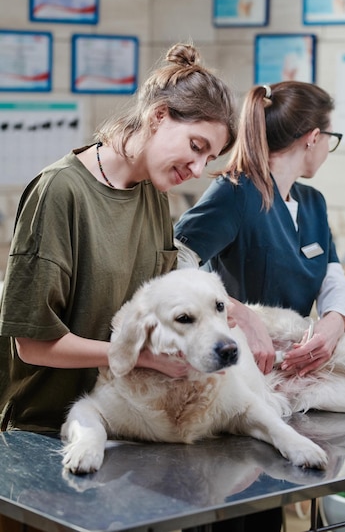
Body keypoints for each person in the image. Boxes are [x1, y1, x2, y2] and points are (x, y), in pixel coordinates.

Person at [0, 42, 237, 435]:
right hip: (42, 429)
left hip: (124, 418)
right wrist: (143, 358)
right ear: (159, 116)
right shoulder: (61, 192)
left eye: (208, 160)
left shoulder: (155, 195)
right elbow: (33, 344)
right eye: (196, 147)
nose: (196, 169)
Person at [175, 80, 345, 532]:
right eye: (329, 140)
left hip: (287, 386)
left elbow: (333, 279)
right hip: (232, 386)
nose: (326, 149)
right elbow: (175, 261)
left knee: (269, 509)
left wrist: (334, 325)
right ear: (313, 138)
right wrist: (239, 312)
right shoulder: (234, 195)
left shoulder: (312, 203)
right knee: (231, 509)